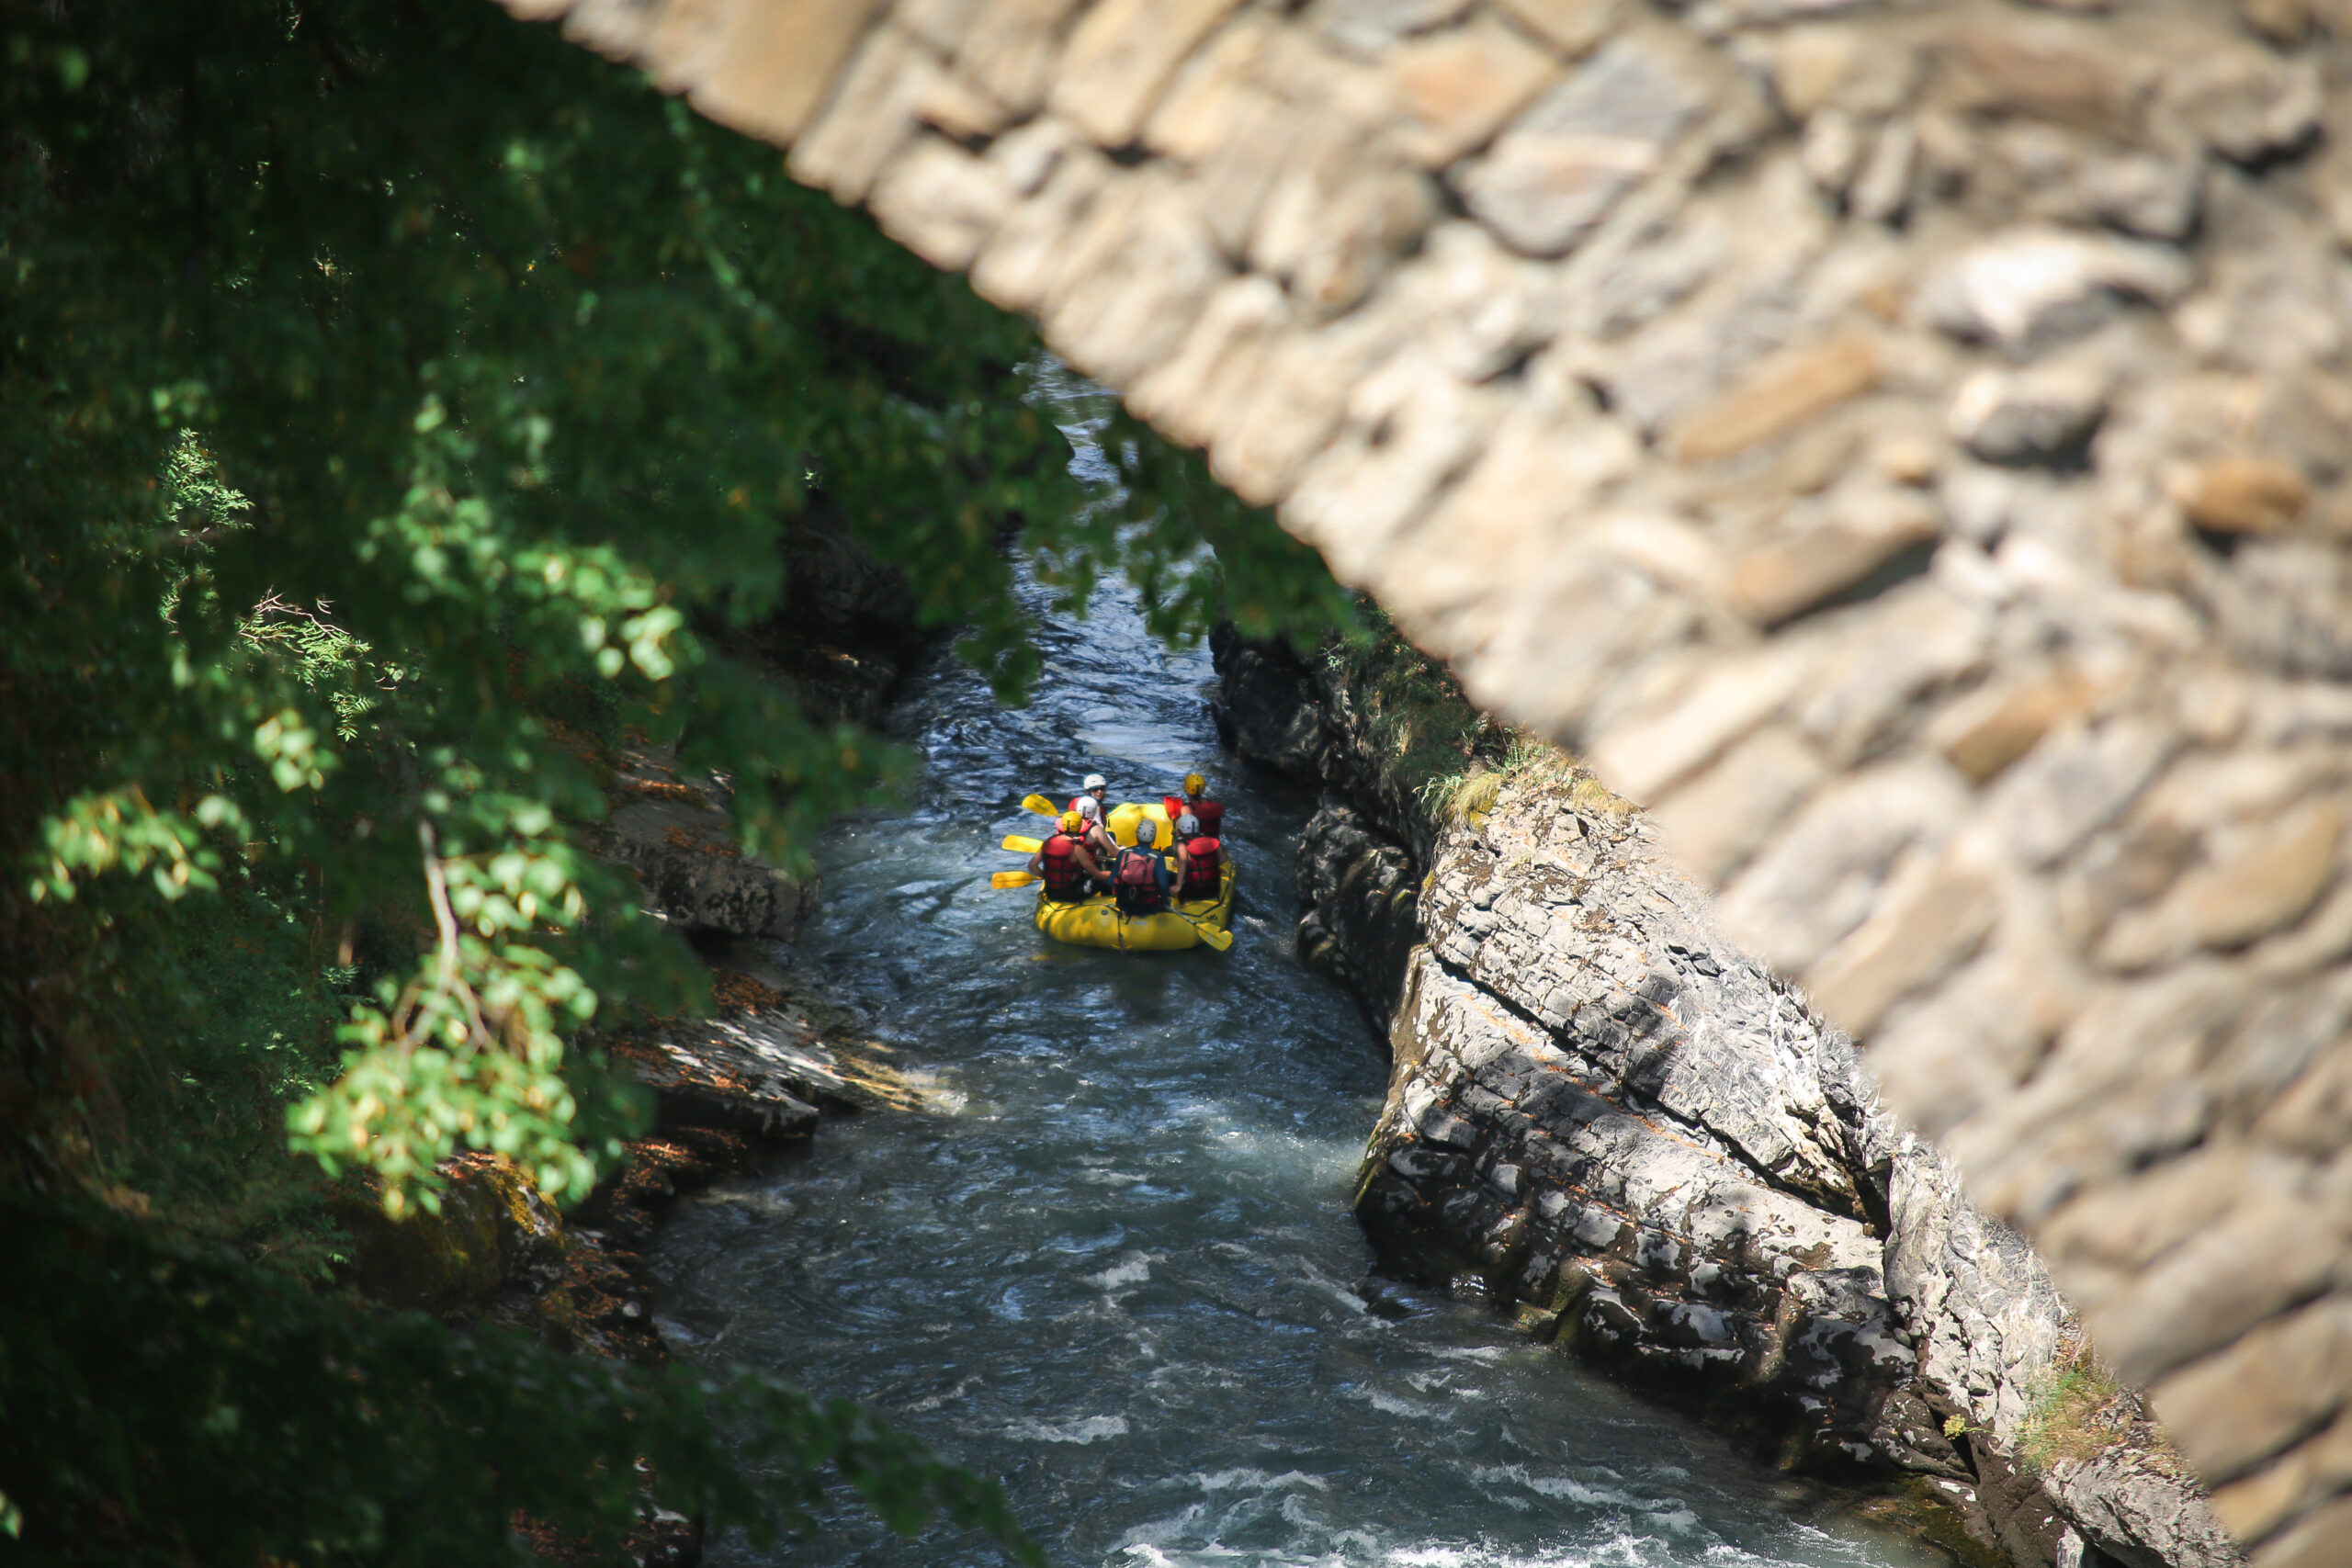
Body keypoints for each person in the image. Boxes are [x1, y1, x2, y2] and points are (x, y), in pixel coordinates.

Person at [1029, 810, 1104, 902]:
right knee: (1101, 881)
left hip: (1051, 892)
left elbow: (1032, 866)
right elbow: (1098, 875)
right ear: (1080, 826)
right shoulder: (1077, 848)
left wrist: (1047, 878)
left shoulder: (1048, 843)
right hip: (1071, 894)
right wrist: (1114, 874)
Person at [1111, 818, 1171, 918]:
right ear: (1153, 838)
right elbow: (1163, 886)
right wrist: (1164, 901)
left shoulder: (1123, 853)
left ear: (1137, 835)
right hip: (1148, 907)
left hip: (1124, 904)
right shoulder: (1158, 857)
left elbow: (1113, 880)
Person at [1171, 811, 1223, 901]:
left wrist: (1178, 885)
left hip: (1195, 892)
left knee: (1168, 877)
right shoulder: (1211, 840)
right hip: (1215, 889)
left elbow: (1182, 862)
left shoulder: (1182, 845)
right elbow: (1223, 859)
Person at [1163, 772, 1224, 839]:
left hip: (1195, 844)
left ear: (1185, 788)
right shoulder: (1211, 805)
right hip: (1214, 842)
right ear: (1203, 789)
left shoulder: (1186, 808)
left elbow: (1182, 830)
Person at [1072, 795, 1118, 863]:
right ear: (1094, 811)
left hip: (1070, 863)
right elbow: (1114, 852)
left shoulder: (1065, 824)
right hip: (1087, 866)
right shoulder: (1096, 829)